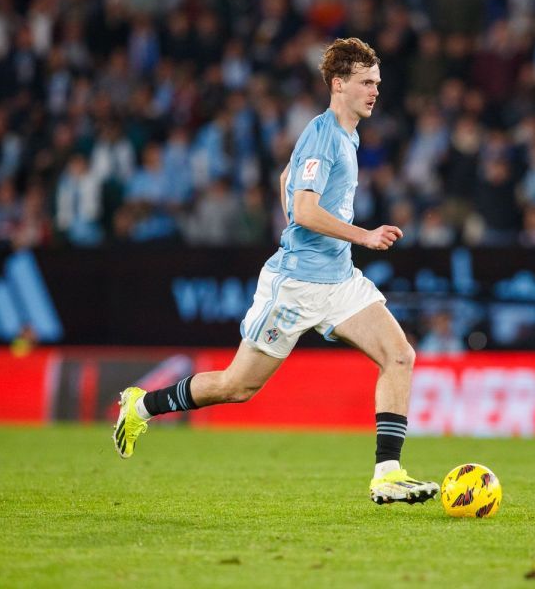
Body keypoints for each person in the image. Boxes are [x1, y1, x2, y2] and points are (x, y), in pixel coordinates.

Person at [113, 38, 439, 505]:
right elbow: (304, 210)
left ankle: (387, 474)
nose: (375, 92)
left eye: (378, 83)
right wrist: (363, 235)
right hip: (297, 286)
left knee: (400, 356)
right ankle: (140, 405)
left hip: (339, 281)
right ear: (338, 84)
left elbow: (289, 181)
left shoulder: (347, 133)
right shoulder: (324, 134)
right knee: (235, 386)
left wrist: (300, 210)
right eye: (366, 83)